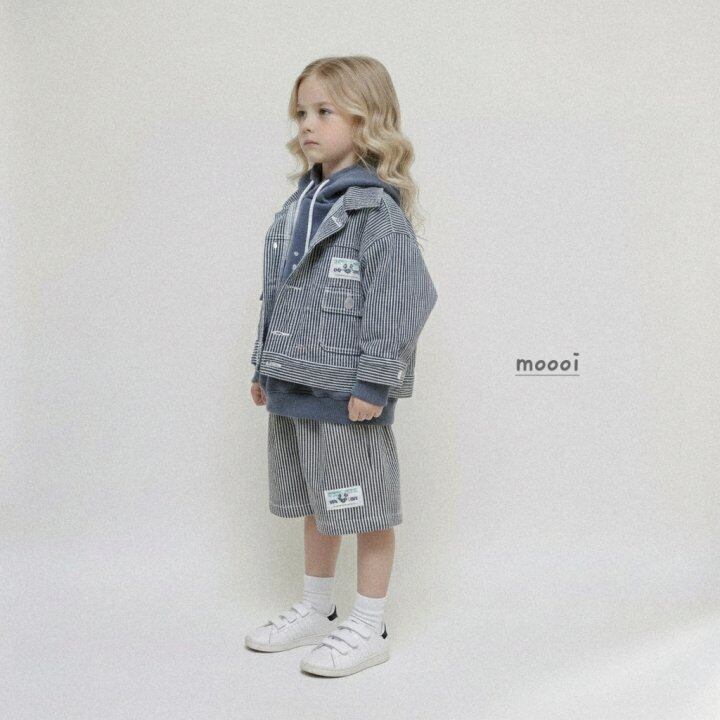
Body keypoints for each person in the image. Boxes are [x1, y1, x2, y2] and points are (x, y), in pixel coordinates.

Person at [244, 55, 438, 678]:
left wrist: (375, 381)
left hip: (348, 393)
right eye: (301, 111)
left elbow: (400, 302)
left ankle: (369, 621)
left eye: (324, 111)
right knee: (316, 500)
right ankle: (317, 606)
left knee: (363, 503)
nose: (307, 124)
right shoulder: (296, 207)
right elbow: (277, 293)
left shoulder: (376, 215)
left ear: (365, 119)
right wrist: (264, 366)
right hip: (293, 384)